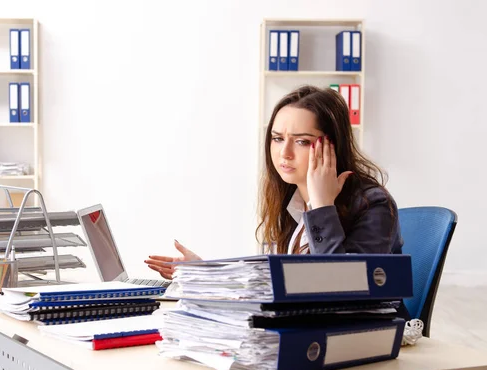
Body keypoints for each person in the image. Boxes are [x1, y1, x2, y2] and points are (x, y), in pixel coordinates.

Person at [145, 84, 404, 279]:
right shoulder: (293, 200)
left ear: (332, 147)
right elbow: (276, 282)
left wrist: (323, 206)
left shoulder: (373, 204)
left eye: (302, 141)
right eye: (278, 138)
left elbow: (341, 288)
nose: (284, 153)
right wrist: (206, 273)